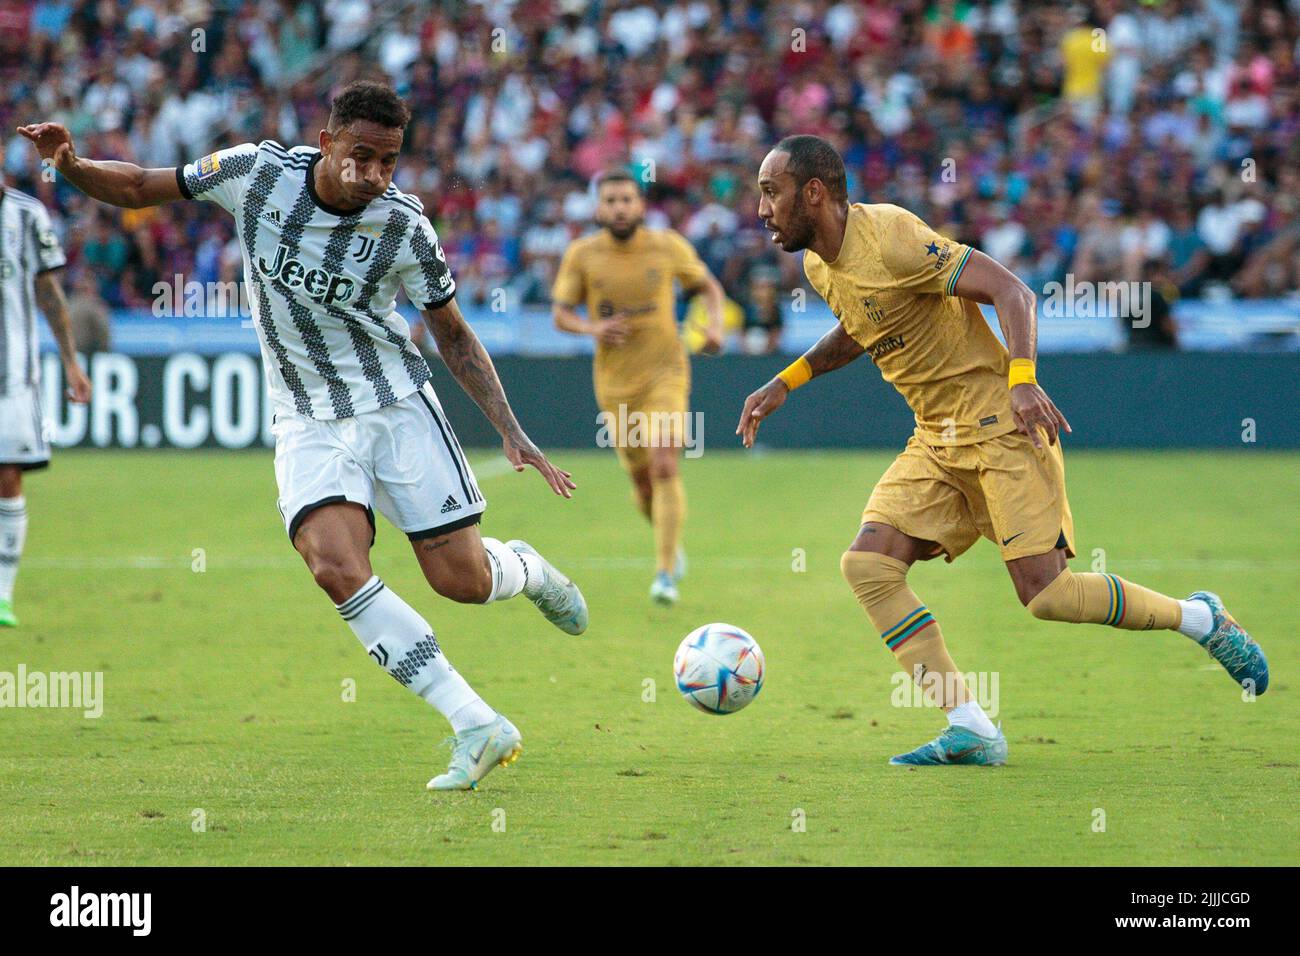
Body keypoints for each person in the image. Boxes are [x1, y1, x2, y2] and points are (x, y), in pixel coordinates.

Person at [18, 80, 588, 791]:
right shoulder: (253, 175)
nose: (375, 176)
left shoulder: (404, 226)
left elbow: (452, 334)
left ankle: (526, 569)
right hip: (305, 418)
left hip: (395, 408)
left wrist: (512, 430)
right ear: (327, 143)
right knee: (333, 565)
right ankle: (474, 722)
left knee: (462, 583)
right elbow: (139, 186)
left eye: (389, 162)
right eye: (362, 157)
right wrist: (70, 165)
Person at [738, 135, 1268, 766]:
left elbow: (1013, 291)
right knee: (869, 566)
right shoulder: (817, 265)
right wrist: (786, 381)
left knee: (1047, 595)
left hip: (999, 426)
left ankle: (1199, 618)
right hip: (936, 437)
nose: (761, 209)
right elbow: (861, 328)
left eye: (771, 192)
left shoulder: (895, 239)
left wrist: (1022, 382)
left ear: (815, 192)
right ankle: (971, 729)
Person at [552, 170, 726, 606]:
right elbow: (560, 312)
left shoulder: (666, 245)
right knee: (644, 483)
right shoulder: (583, 254)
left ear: (640, 204)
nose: (619, 207)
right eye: (610, 200)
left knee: (665, 464)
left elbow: (708, 287)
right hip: (615, 386)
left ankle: (664, 573)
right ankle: (670, 543)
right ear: (598, 208)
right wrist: (593, 328)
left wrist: (715, 327)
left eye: (626, 199)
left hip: (667, 373)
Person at [0, 139, 93, 627]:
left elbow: (49, 293)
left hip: (13, 376)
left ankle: (3, 595)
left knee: (8, 476)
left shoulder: (27, 215)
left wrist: (72, 363)